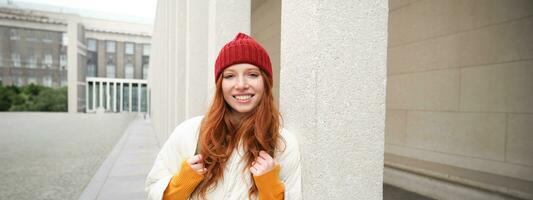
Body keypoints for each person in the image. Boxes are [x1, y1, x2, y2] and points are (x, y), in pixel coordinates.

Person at [145, 32, 302, 200]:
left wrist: (271, 189)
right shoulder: (188, 132)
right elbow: (153, 188)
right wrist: (180, 185)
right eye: (230, 76)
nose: (241, 85)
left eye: (252, 74)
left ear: (265, 83)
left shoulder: (283, 144)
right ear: (220, 85)